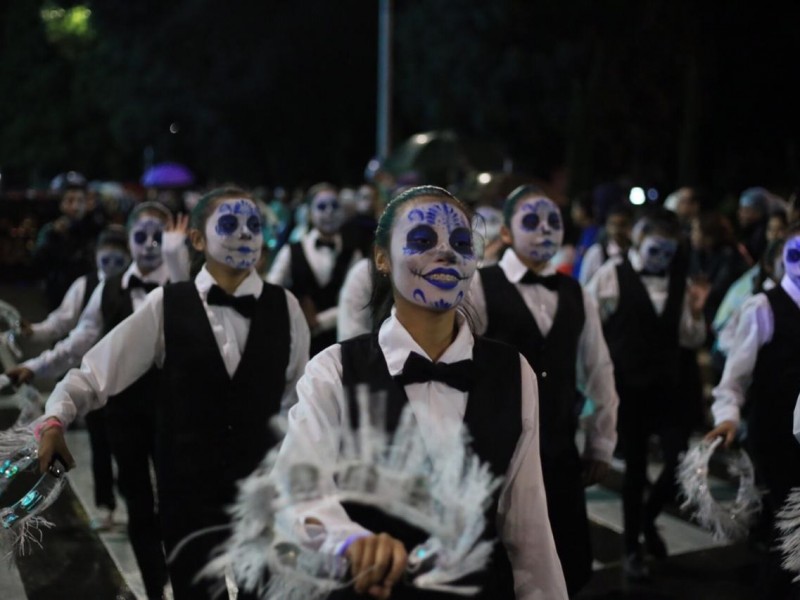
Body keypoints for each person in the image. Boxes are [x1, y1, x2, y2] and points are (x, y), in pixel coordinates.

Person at [273, 185, 568, 599]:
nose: (446, 252)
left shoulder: (514, 372)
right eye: (423, 240)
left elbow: (529, 530)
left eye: (462, 243)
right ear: (381, 257)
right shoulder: (333, 371)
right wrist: (349, 541)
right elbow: (294, 495)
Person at [35, 188, 310, 599]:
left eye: (254, 225)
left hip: (262, 492)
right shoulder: (167, 304)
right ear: (197, 239)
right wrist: (56, 417)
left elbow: (298, 400)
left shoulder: (284, 306)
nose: (245, 235)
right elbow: (98, 370)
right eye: (229, 224)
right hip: (187, 491)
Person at [466, 185, 619, 596]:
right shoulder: (480, 285)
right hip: (497, 446)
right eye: (531, 222)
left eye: (553, 221)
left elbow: (598, 367)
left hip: (559, 446)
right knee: (499, 561)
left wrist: (602, 441)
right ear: (507, 232)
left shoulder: (577, 293)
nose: (544, 230)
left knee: (567, 558)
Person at [586, 208, 708, 582]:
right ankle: (631, 549)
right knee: (635, 470)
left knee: (679, 462)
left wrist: (695, 313)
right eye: (657, 248)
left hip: (669, 386)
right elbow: (591, 327)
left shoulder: (679, 279)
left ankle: (647, 520)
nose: (664, 258)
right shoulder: (611, 274)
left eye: (670, 250)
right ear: (639, 242)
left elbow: (691, 337)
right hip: (629, 387)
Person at [705, 222, 800, 599]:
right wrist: (727, 415)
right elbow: (734, 376)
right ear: (779, 259)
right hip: (775, 434)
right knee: (787, 527)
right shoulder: (762, 306)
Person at [267, 182, 362, 356]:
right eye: (321, 206)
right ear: (310, 213)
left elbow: (358, 301)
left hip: (340, 341)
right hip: (298, 342)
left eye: (334, 206)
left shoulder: (353, 253)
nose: (329, 212)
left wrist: (320, 321)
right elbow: (271, 291)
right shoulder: (291, 250)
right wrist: (295, 311)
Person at [19, 225, 130, 345]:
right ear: (96, 254)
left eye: (118, 261)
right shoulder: (84, 284)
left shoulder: (135, 286)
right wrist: (35, 331)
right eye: (106, 260)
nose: (112, 265)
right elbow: (62, 320)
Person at [34, 171, 95, 310]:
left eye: (80, 201)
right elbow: (38, 265)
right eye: (70, 200)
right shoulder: (50, 231)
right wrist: (54, 237)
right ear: (59, 204)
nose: (75, 207)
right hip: (57, 301)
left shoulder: (94, 229)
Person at [577, 203, 634, 286]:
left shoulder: (634, 254)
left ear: (631, 226)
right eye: (613, 224)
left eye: (622, 225)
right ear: (607, 226)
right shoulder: (596, 252)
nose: (616, 230)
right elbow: (583, 284)